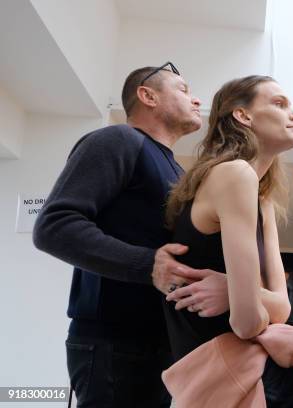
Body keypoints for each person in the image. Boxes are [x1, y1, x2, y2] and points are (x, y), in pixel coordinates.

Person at [163, 75, 293, 407]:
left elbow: (282, 308)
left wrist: (233, 288)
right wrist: (246, 298)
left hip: (257, 362)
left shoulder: (262, 199)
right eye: (279, 103)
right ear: (242, 116)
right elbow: (246, 323)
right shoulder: (234, 174)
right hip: (240, 370)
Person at [33, 62, 211, 407]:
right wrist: (148, 265)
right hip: (115, 344)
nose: (196, 100)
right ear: (147, 96)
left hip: (158, 346)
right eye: (184, 90)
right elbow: (54, 226)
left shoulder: (176, 169)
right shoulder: (118, 140)